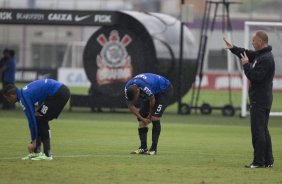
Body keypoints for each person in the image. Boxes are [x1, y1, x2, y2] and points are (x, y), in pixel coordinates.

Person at [223, 31, 275, 168]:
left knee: (258, 131)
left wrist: (246, 65)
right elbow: (245, 53)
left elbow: (255, 77)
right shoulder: (261, 55)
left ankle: (259, 162)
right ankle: (268, 161)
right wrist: (232, 47)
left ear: (261, 41)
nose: (252, 43)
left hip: (260, 99)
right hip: (263, 99)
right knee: (263, 130)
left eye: (254, 40)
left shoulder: (266, 59)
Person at [3, 79, 70, 160]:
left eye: (7, 98)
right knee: (38, 117)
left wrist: (33, 142)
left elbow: (31, 121)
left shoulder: (23, 98)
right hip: (59, 92)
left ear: (12, 96)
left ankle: (47, 154)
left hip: (59, 93)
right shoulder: (23, 93)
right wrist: (33, 141)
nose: (8, 101)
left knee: (41, 118)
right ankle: (37, 152)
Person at [124, 73, 173, 155]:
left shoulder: (145, 87)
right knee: (141, 120)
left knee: (154, 117)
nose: (135, 100)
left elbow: (152, 100)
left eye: (135, 98)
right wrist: (143, 118)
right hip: (152, 91)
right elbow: (130, 106)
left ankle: (153, 149)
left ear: (138, 91)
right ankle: (143, 148)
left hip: (164, 90)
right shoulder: (127, 88)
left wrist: (150, 115)